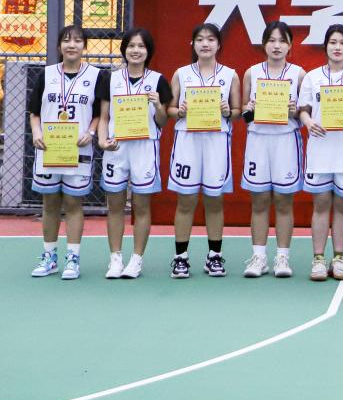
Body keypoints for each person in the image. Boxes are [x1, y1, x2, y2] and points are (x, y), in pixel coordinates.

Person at [96, 28, 173, 279]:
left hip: (144, 147)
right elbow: (104, 117)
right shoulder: (111, 79)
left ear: (148, 51)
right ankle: (115, 259)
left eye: (141, 46)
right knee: (115, 204)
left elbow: (162, 121)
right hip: (117, 147)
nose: (136, 50)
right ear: (124, 50)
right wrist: (102, 140)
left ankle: (136, 260)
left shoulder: (158, 81)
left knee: (141, 205)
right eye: (131, 46)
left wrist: (157, 105)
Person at [166, 23, 242, 279]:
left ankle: (214, 256)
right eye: (200, 39)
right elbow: (169, 109)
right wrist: (180, 111)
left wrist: (227, 111)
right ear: (193, 44)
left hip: (216, 141)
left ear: (219, 44)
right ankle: (180, 257)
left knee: (214, 199)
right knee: (186, 200)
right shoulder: (181, 74)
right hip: (187, 140)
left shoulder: (230, 75)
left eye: (210, 39)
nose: (205, 44)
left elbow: (237, 112)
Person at [298, 24, 343, 281]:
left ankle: (339, 259)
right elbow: (303, 109)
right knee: (320, 205)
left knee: (342, 205)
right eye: (332, 42)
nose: (337, 47)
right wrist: (308, 122)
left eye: (342, 43)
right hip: (319, 149)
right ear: (325, 46)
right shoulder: (312, 77)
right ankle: (318, 260)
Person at [28, 25, 101, 279]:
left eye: (78, 41)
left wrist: (91, 132)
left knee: (73, 202)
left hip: (78, 149)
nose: (72, 45)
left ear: (84, 46)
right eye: (67, 40)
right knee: (49, 203)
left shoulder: (96, 76)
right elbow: (34, 111)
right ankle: (49, 257)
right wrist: (36, 132)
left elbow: (100, 113)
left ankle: (73, 258)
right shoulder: (46, 74)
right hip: (49, 148)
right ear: (59, 46)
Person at [241, 21, 306, 278]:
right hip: (258, 140)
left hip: (286, 140)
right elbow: (243, 114)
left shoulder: (299, 74)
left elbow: (306, 113)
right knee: (259, 201)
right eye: (271, 40)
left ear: (290, 45)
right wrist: (249, 108)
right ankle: (259, 257)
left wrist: (295, 111)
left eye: (282, 41)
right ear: (264, 44)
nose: (276, 46)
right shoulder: (251, 73)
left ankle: (282, 257)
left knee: (283, 200)